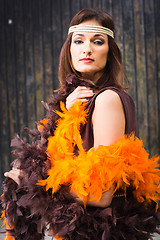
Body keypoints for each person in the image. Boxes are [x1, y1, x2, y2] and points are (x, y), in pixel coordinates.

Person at [2, 8, 160, 240]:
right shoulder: (77, 103)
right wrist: (62, 115)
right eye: (79, 41)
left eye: (98, 41)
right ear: (69, 50)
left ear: (110, 51)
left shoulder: (107, 100)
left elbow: (100, 194)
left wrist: (31, 184)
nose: (87, 49)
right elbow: (58, 163)